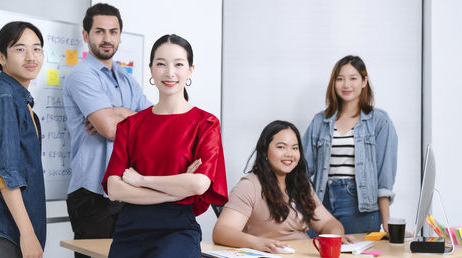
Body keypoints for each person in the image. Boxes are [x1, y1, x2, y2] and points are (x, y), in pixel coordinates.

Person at [101, 34, 228, 257]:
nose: (170, 73)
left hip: (177, 231)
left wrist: (141, 180)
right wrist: (178, 191)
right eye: (161, 64)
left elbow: (198, 185)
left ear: (190, 70)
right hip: (129, 230)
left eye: (179, 64)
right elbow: (115, 189)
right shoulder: (130, 126)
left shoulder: (205, 124)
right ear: (151, 69)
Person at [63, 4, 151, 255]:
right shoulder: (81, 76)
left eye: (113, 32)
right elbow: (110, 129)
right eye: (99, 31)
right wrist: (120, 118)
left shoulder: (128, 81)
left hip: (128, 192)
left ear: (120, 36)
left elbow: (157, 126)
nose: (107, 38)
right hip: (92, 194)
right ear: (85, 35)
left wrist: (119, 112)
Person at [213, 120, 353, 253]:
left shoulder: (301, 185)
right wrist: (258, 243)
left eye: (295, 148)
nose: (289, 154)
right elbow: (222, 231)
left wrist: (335, 237)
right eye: (281, 147)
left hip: (302, 253)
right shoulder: (249, 186)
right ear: (265, 151)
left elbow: (328, 222)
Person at [0, 21, 46, 258]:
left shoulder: (20, 100)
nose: (31, 57)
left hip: (12, 231)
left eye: (37, 48)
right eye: (20, 49)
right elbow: (4, 172)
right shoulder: (4, 98)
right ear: (1, 57)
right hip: (4, 233)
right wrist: (27, 233)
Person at [302, 55, 398, 234]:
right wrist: (301, 209)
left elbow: (384, 178)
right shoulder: (319, 121)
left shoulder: (379, 121)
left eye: (353, 78)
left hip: (360, 207)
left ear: (364, 81)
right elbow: (301, 170)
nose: (346, 85)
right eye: (340, 79)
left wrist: (387, 223)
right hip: (321, 203)